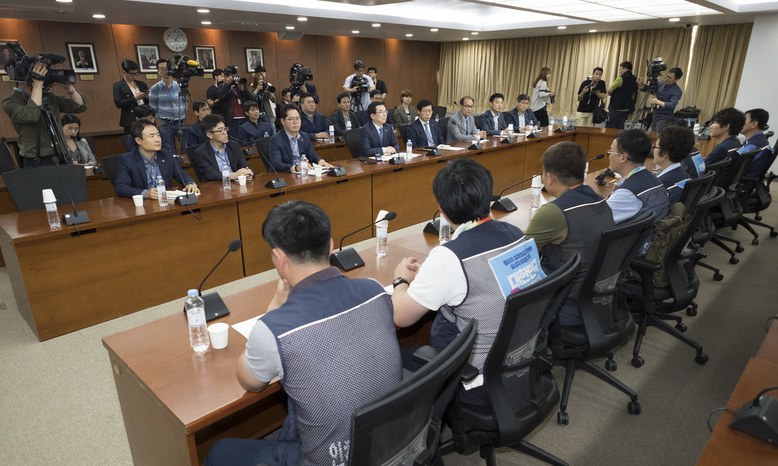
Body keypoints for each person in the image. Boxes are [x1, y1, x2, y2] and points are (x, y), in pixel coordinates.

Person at [204, 200, 402, 466]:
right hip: (388, 440)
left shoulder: (274, 329)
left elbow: (249, 381)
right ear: (330, 245)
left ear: (279, 258)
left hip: (332, 459)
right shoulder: (375, 289)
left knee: (221, 452)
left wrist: (274, 307)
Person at [391, 158, 525, 406]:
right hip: (520, 356)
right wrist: (435, 272)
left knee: (393, 354)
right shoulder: (516, 234)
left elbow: (400, 316)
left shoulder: (450, 256)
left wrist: (401, 279)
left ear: (441, 208)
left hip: (477, 377)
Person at [524, 141, 614, 327]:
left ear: (550, 178)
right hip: (598, 297)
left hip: (565, 303)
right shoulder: (600, 200)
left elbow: (520, 257)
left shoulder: (554, 212)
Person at [2, 61, 87, 167]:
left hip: (63, 155)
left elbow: (79, 106)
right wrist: (37, 85)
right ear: (24, 81)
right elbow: (31, 116)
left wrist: (70, 89)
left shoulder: (48, 96)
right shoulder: (10, 101)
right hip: (37, 160)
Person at [606, 129, 669, 253]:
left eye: (611, 151)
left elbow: (598, 223)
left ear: (623, 157)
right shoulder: (652, 179)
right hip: (648, 243)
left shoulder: (628, 193)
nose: (609, 154)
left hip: (626, 251)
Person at [114, 120, 199, 199]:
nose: (158, 139)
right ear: (139, 140)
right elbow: (122, 187)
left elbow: (181, 174)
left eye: (158, 135)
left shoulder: (166, 155)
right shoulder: (126, 160)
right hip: (142, 205)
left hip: (165, 201)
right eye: (152, 136)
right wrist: (146, 193)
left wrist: (190, 183)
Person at [268, 105, 333, 173]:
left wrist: (320, 161)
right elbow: (276, 164)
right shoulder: (275, 140)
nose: (295, 122)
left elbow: (312, 154)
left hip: (303, 174)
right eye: (290, 119)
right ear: (282, 121)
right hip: (286, 176)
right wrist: (296, 168)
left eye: (298, 118)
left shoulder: (304, 136)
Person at [190, 114, 253, 182]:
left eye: (225, 128)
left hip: (236, 184)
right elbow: (211, 174)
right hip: (216, 187)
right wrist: (233, 175)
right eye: (220, 130)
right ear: (210, 135)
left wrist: (247, 171)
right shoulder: (201, 153)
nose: (225, 133)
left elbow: (243, 165)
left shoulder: (234, 145)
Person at [149, 59, 185, 155]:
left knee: (186, 148)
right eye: (162, 69)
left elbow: (185, 102)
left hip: (181, 122)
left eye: (168, 69)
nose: (166, 71)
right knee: (169, 151)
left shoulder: (180, 85)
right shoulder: (155, 88)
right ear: (158, 72)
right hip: (165, 123)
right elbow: (152, 108)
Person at [653, 125, 696, 204]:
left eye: (655, 147)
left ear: (664, 153)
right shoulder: (685, 176)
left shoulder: (659, 185)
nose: (653, 150)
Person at [638, 67, 684, 132]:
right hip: (655, 114)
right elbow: (647, 89)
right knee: (653, 134)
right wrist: (641, 84)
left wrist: (657, 101)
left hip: (665, 118)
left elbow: (672, 105)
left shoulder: (677, 91)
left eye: (670, 78)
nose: (667, 79)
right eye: (667, 76)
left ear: (677, 79)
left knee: (660, 135)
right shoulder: (661, 83)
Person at [214, 65, 254, 135]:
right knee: (235, 139)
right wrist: (227, 84)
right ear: (225, 76)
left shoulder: (239, 84)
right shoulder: (222, 86)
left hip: (244, 117)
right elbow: (219, 96)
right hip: (231, 118)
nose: (233, 77)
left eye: (234, 74)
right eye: (230, 75)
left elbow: (251, 99)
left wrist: (243, 90)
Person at [113, 59, 149, 134]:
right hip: (130, 119)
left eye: (136, 73)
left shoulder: (142, 84)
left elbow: (147, 103)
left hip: (144, 117)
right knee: (132, 142)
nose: (134, 76)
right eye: (131, 73)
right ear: (124, 71)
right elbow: (118, 103)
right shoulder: (118, 86)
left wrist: (147, 97)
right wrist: (135, 98)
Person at [741, 108, 772, 185]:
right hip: (747, 180)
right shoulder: (759, 139)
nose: (739, 123)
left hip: (741, 183)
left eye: (743, 120)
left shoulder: (753, 145)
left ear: (754, 124)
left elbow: (733, 160)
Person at [607, 61, 638, 130]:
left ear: (625, 68)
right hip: (626, 108)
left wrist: (610, 93)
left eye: (620, 69)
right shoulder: (634, 80)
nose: (620, 71)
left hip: (615, 108)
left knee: (610, 129)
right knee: (620, 129)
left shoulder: (620, 78)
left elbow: (609, 90)